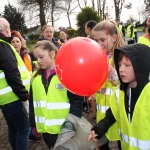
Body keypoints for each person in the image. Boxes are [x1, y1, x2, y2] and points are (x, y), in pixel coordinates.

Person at [88, 43, 150, 150]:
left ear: (140, 65)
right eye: (119, 65)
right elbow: (110, 116)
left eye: (127, 65)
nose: (121, 69)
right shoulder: (119, 92)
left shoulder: (148, 93)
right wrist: (97, 130)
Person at [29, 40, 84, 149]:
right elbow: (32, 104)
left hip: (64, 130)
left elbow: (77, 102)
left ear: (52, 54)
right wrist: (33, 125)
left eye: (41, 57)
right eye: (36, 58)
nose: (38, 61)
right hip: (45, 131)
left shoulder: (66, 76)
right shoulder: (35, 79)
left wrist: (72, 125)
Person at [92, 20, 125, 150]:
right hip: (102, 112)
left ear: (114, 37)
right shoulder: (99, 57)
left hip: (118, 113)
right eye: (96, 40)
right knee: (102, 144)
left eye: (102, 40)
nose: (99, 44)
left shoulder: (122, 57)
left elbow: (126, 83)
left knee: (122, 142)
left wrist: (112, 73)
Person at [0, 17, 30, 150]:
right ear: (7, 29)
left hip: (4, 98)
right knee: (24, 129)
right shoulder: (3, 45)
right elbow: (12, 74)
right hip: (13, 96)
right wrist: (24, 95)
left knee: (13, 129)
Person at [10, 30, 42, 142]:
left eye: (17, 41)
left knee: (31, 110)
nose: (15, 44)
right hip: (19, 90)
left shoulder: (27, 56)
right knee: (26, 113)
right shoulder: (9, 57)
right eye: (13, 42)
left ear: (21, 42)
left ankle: (32, 131)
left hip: (30, 87)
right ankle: (29, 133)